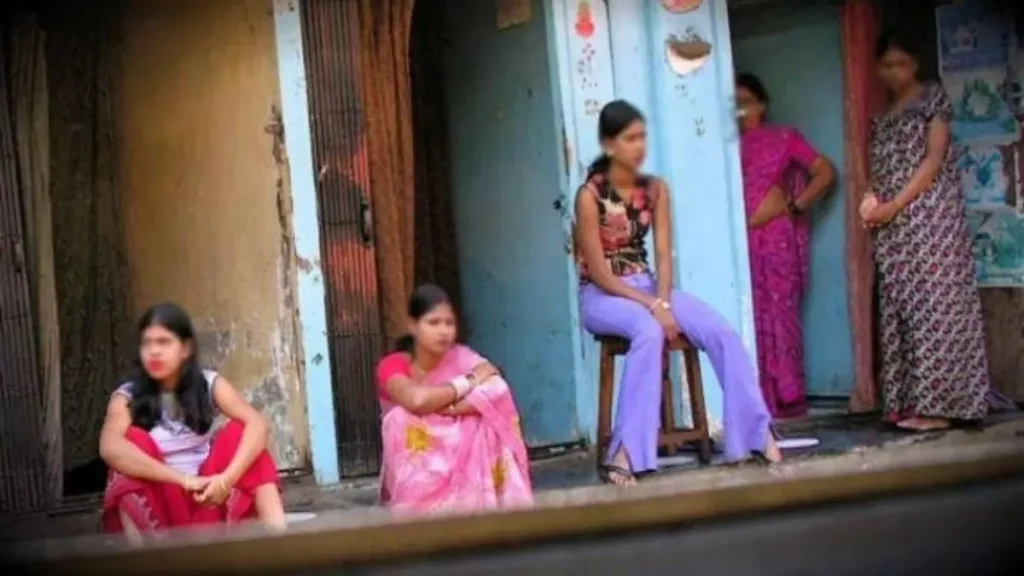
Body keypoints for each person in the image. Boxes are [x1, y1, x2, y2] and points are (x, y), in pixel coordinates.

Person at [575, 99, 782, 487]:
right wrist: (653, 306)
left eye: (642, 137)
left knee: (721, 331)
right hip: (603, 296)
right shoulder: (589, 196)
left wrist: (664, 299)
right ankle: (624, 454)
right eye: (629, 138)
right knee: (648, 332)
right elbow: (600, 274)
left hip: (650, 286)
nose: (639, 146)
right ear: (608, 144)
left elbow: (664, 257)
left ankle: (757, 436)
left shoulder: (655, 190)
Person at [861, 31, 989, 431]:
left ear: (914, 64)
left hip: (929, 219)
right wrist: (870, 200)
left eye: (900, 63)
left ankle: (941, 408)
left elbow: (933, 162)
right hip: (892, 226)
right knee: (901, 307)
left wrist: (895, 205)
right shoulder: (883, 113)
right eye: (885, 65)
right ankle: (905, 403)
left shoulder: (932, 99)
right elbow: (877, 166)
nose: (893, 72)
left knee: (936, 309)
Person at [98, 303, 285, 541]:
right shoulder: (127, 396)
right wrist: (184, 481)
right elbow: (109, 447)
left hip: (209, 501)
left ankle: (280, 547)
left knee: (242, 433)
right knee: (130, 443)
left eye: (164, 342)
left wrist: (225, 481)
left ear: (185, 349)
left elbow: (259, 425)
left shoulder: (209, 384)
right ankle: (142, 562)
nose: (154, 352)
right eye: (147, 343)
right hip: (162, 512)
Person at [375, 284, 533, 513]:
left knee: (482, 420)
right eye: (433, 322)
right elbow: (416, 400)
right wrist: (467, 383)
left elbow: (497, 387)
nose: (443, 331)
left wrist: (448, 410)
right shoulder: (394, 365)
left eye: (449, 323)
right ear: (412, 326)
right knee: (401, 419)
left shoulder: (462, 357)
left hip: (465, 468)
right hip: (415, 475)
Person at [735, 72, 837, 419]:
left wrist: (794, 206)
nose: (740, 112)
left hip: (776, 243)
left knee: (780, 314)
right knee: (747, 315)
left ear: (762, 105)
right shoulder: (719, 147)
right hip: (739, 244)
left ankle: (788, 396)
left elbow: (825, 172)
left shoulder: (784, 138)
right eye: (734, 105)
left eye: (746, 103)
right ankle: (756, 398)